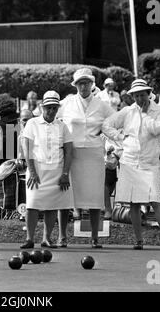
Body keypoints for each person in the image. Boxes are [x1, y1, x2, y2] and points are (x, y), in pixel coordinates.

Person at [102, 79, 160, 251]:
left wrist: (144, 114)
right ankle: (138, 240)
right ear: (132, 96)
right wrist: (121, 138)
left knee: (156, 202)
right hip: (129, 162)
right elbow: (106, 125)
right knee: (134, 203)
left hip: (149, 163)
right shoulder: (127, 111)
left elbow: (156, 130)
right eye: (136, 96)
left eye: (142, 95)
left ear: (149, 94)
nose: (139, 98)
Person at [57, 68, 115, 248]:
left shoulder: (102, 104)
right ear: (75, 85)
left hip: (94, 155)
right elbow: (53, 121)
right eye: (80, 83)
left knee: (95, 196)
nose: (83, 86)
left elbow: (115, 123)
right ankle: (62, 237)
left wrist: (106, 140)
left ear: (92, 84)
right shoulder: (67, 103)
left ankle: (95, 237)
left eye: (86, 83)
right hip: (71, 155)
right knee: (66, 195)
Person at [21, 91, 74, 249]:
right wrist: (32, 171)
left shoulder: (62, 126)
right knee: (32, 204)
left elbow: (69, 151)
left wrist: (65, 173)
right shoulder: (32, 123)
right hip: (36, 169)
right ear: (42, 107)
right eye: (48, 108)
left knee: (52, 205)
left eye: (54, 108)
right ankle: (29, 239)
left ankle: (46, 239)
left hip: (57, 170)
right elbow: (27, 147)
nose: (51, 111)